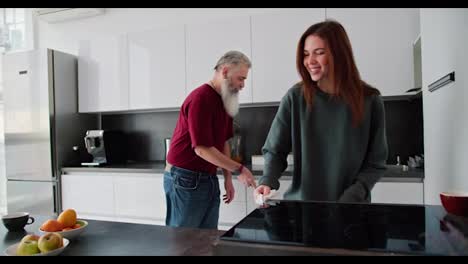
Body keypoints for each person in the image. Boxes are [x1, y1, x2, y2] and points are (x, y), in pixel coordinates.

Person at [254, 20, 388, 203]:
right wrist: (267, 181)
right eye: (306, 54)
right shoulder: (295, 97)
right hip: (304, 209)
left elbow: (375, 163)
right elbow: (275, 150)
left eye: (319, 53)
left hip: (351, 209)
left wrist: (352, 196)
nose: (310, 61)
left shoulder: (370, 100)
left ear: (340, 54)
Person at [165, 50, 257, 229]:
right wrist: (240, 169)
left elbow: (223, 142)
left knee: (206, 240)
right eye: (240, 78)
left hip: (207, 177)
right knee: (183, 242)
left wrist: (228, 178)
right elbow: (201, 149)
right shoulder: (200, 98)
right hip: (184, 178)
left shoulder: (225, 100)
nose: (243, 85)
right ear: (224, 72)